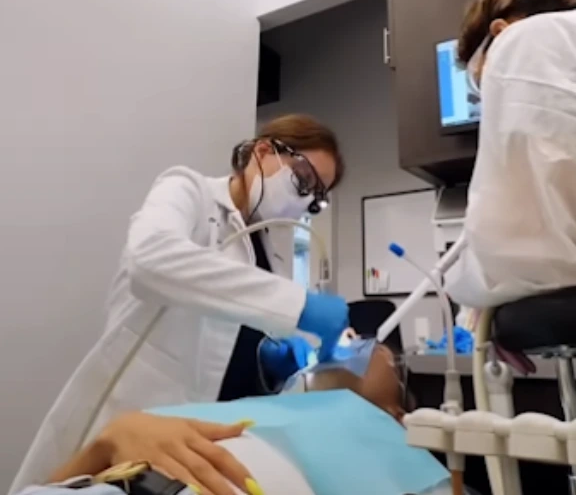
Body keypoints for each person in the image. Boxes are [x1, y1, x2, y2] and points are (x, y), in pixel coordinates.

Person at [11, 115, 353, 493]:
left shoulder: (270, 251)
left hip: (208, 442)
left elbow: (230, 339)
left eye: (316, 197)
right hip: (136, 427)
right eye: (303, 180)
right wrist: (300, 305)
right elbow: (150, 258)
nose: (305, 199)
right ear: (263, 150)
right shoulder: (188, 190)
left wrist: (267, 364)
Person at [444, 0, 576, 361]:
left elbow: (530, 257)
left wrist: (488, 309)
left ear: (500, 34)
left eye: (479, 83)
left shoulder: (534, 40)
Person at [23, 344, 457, 495]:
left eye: (383, 353)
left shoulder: (394, 448)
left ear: (396, 413)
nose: (358, 345)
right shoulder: (260, 409)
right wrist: (108, 441)